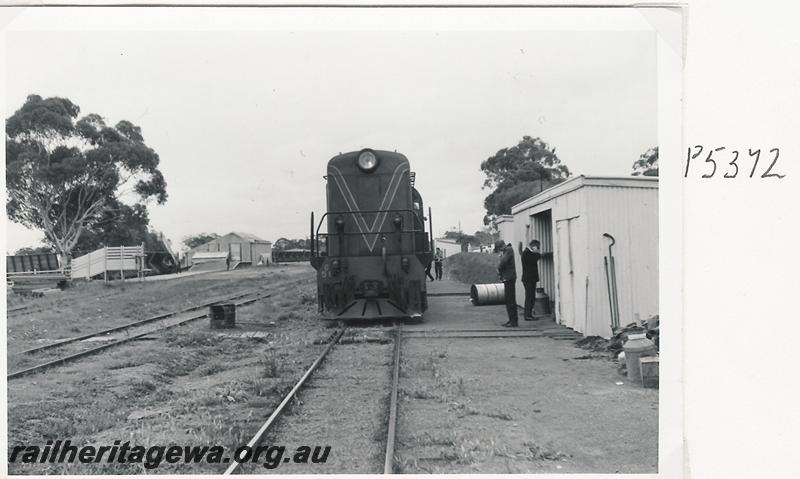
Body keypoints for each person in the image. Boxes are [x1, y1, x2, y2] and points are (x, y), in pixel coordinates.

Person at [495, 240, 518, 327]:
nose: (499, 251)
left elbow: (503, 262)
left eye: (499, 249)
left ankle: (513, 321)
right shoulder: (507, 250)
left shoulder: (508, 250)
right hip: (508, 277)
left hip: (509, 278)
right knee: (509, 300)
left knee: (510, 300)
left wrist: (498, 269)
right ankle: (511, 320)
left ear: (501, 246)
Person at [521, 239, 542, 320]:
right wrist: (538, 254)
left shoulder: (528, 253)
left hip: (530, 279)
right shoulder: (527, 253)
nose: (538, 249)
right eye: (538, 247)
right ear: (533, 246)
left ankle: (529, 314)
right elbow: (535, 258)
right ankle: (527, 315)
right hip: (528, 279)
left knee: (531, 297)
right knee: (529, 297)